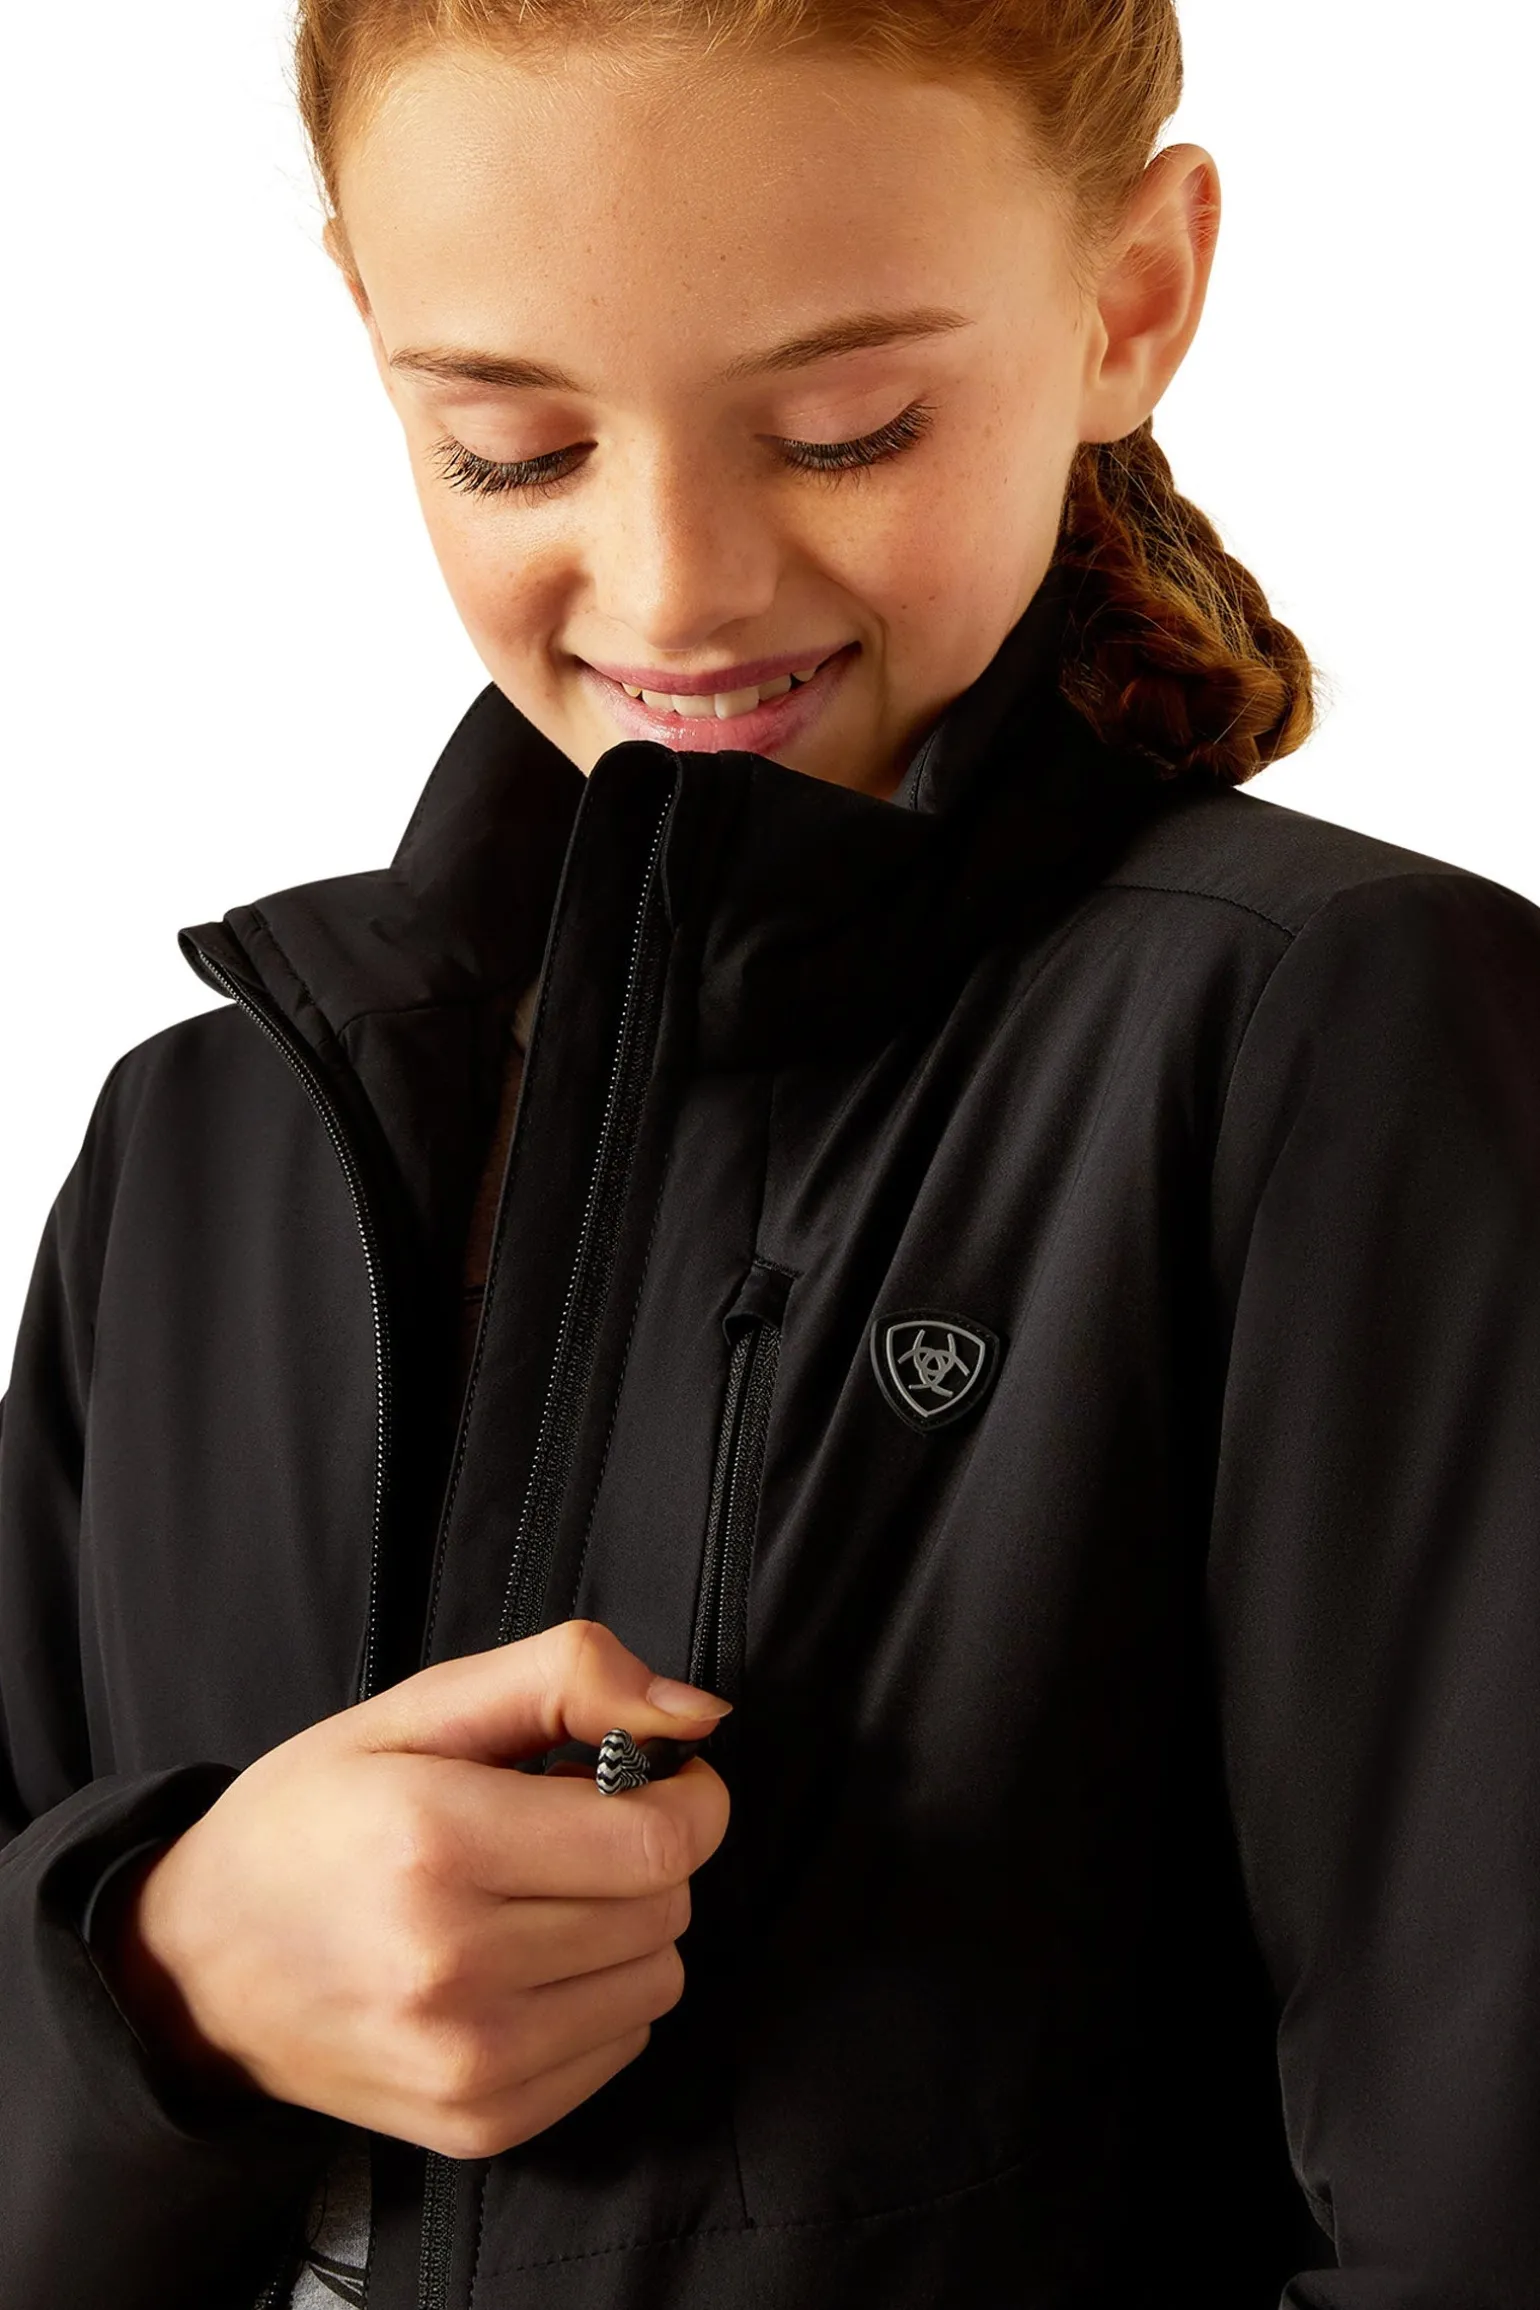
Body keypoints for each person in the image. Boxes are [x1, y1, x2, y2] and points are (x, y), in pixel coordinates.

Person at [2, 2, 1537, 2306]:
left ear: (1130, 295)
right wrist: (164, 1981)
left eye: (844, 428)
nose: (676, 589)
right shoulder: (204, 1141)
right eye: (512, 448)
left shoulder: (1324, 1036)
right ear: (366, 322)